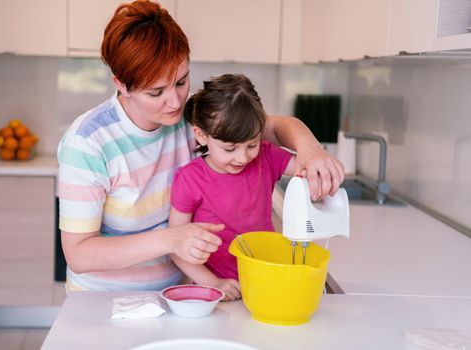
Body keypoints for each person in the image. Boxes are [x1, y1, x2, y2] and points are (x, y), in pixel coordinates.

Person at [57, 0, 344, 292]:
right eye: (156, 91)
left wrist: (310, 149)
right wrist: (171, 239)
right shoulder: (88, 143)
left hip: (180, 294)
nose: (174, 101)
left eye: (181, 82)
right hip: (103, 302)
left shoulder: (192, 117)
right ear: (121, 84)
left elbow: (273, 128)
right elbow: (79, 254)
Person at [169, 74, 298, 301]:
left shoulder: (267, 157)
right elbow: (175, 246)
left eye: (252, 144)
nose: (243, 157)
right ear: (201, 135)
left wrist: (317, 159)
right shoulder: (189, 179)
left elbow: (305, 168)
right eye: (230, 149)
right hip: (215, 290)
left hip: (264, 279)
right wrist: (214, 283)